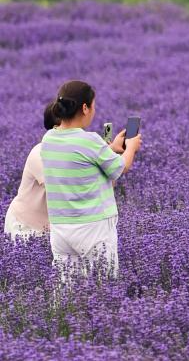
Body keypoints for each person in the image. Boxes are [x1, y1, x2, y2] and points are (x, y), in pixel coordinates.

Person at [41, 79, 142, 278]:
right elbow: (120, 168)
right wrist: (130, 147)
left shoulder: (48, 139)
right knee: (104, 285)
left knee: (66, 288)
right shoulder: (90, 141)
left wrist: (109, 148)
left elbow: (79, 160)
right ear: (85, 108)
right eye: (93, 105)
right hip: (93, 227)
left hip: (61, 228)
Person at [4, 104, 60, 241]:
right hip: (24, 225)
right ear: (56, 128)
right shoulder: (40, 153)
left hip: (48, 229)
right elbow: (62, 190)